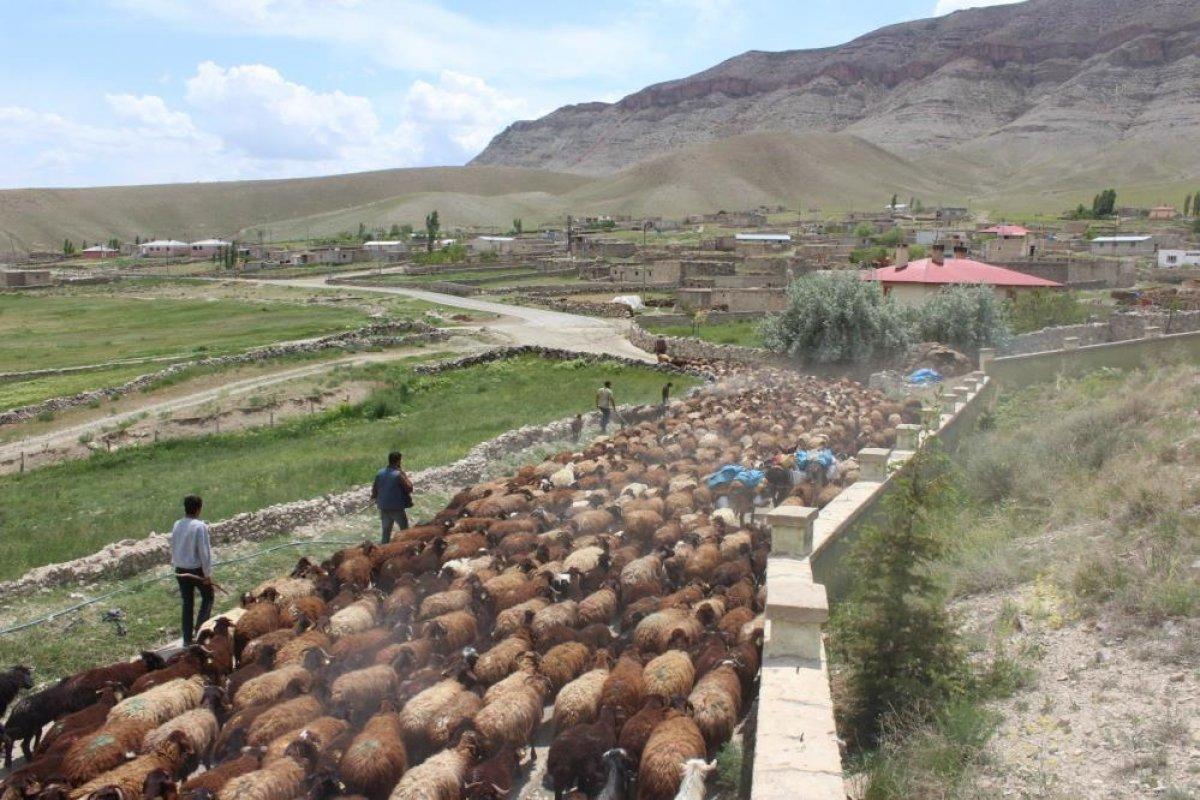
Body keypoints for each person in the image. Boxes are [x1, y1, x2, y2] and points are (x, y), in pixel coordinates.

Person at [171, 494, 213, 646]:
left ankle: (187, 639)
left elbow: (174, 545)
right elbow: (204, 552)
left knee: (187, 604)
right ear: (198, 509)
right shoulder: (199, 526)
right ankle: (200, 632)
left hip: (180, 570)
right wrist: (207, 574)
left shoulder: (177, 524)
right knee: (208, 598)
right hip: (196, 570)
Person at [372, 450, 413, 544]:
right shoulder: (398, 474)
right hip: (396, 508)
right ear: (398, 461)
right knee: (405, 531)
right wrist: (404, 475)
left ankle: (383, 549)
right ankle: (405, 548)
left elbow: (374, 490)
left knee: (386, 533)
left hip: (383, 507)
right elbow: (409, 488)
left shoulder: (380, 473)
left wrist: (376, 498)